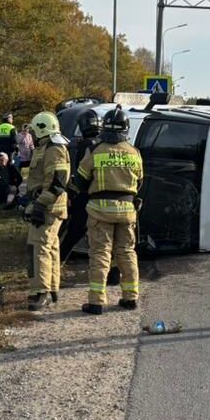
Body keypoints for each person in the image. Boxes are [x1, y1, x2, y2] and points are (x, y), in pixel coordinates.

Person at [71, 108, 143, 315]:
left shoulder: (96, 150)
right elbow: (139, 182)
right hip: (127, 210)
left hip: (100, 210)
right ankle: (130, 298)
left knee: (100, 254)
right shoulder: (134, 152)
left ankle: (96, 302)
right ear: (126, 129)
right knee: (127, 253)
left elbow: (81, 180)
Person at [24, 111, 70, 311]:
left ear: (42, 129)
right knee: (50, 248)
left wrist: (40, 205)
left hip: (49, 207)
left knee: (39, 247)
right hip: (47, 205)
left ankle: (41, 293)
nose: (32, 136)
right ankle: (51, 290)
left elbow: (57, 181)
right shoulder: (47, 147)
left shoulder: (54, 149)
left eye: (33, 131)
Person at [61, 110, 103, 256]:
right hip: (104, 196)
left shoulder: (86, 146)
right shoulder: (105, 145)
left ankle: (59, 258)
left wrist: (73, 192)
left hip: (86, 195)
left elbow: (81, 173)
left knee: (74, 231)